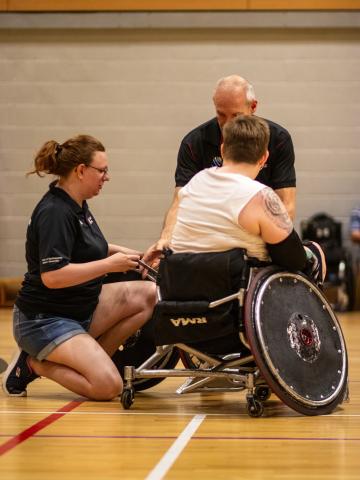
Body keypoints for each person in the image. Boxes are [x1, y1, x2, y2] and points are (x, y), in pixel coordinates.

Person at [2, 135, 156, 400]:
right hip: (45, 320)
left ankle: (87, 357)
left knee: (148, 294)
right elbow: (53, 276)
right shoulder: (55, 212)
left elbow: (90, 246)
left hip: (79, 308)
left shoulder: (77, 204)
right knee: (110, 387)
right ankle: (33, 364)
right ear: (81, 170)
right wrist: (109, 265)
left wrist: (136, 255)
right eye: (102, 170)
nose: (106, 177)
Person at [149, 115, 325, 283]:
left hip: (182, 285)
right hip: (231, 291)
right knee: (312, 253)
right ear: (264, 157)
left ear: (223, 149)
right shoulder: (261, 195)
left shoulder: (194, 183)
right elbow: (292, 259)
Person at [144, 74, 296, 264]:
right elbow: (178, 202)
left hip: (254, 235)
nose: (228, 124)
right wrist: (165, 240)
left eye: (236, 115)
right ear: (223, 151)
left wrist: (278, 246)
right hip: (211, 241)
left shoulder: (278, 139)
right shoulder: (195, 142)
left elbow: (286, 205)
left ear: (253, 107)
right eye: (221, 115)